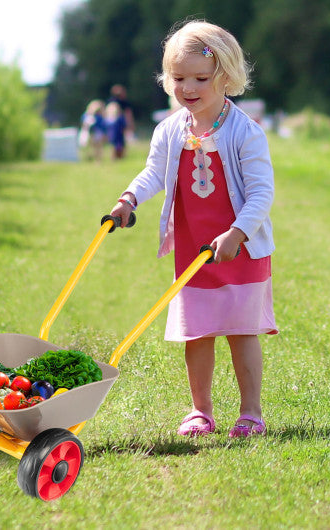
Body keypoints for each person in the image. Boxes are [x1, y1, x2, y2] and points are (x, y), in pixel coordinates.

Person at [109, 20, 277, 439]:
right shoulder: (170, 130)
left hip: (239, 251)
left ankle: (251, 412)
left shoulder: (245, 133)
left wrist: (238, 233)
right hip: (192, 250)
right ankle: (201, 411)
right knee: (197, 332)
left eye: (200, 78)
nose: (188, 87)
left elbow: (261, 193)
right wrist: (129, 199)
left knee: (241, 331)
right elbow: (153, 173)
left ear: (225, 76)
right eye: (179, 77)